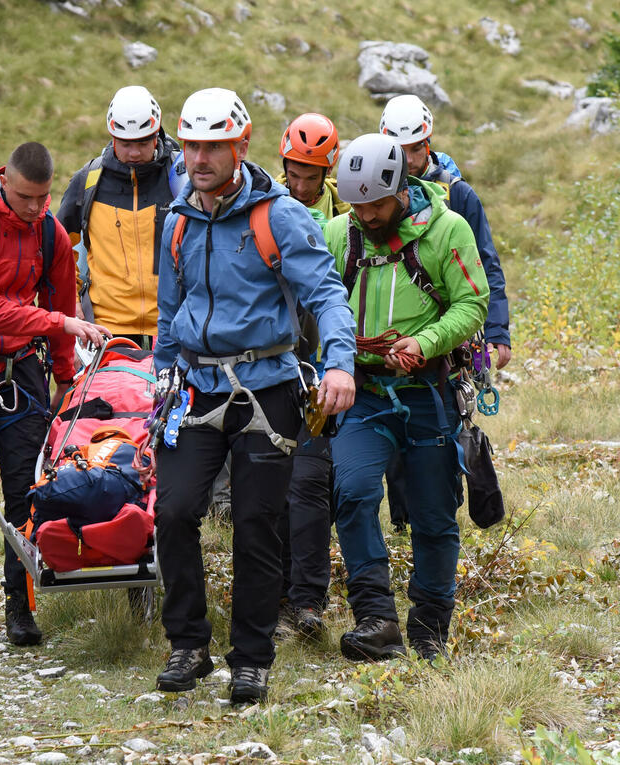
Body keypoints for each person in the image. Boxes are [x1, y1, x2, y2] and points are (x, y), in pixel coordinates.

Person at [152, 88, 356, 704]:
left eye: (214, 145)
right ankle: (188, 644)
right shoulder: (178, 221)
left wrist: (339, 365)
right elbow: (169, 311)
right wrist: (161, 375)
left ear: (240, 146)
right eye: (191, 145)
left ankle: (251, 658)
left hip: (268, 389)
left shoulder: (280, 216)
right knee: (173, 511)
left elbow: (325, 294)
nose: (201, 157)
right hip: (195, 385)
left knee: (256, 524)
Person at [323, 133, 489, 662]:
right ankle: (376, 619)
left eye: (375, 203)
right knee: (351, 493)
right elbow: (318, 300)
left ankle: (429, 625)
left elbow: (472, 303)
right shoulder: (336, 234)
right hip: (362, 393)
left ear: (399, 188)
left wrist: (425, 341)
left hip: (429, 393)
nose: (366, 215)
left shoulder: (448, 231)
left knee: (434, 513)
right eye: (357, 204)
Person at [0, 142, 109, 644]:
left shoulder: (51, 233)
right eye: (25, 197)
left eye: (43, 198)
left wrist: (65, 377)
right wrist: (60, 323)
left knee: (24, 491)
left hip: (24, 374)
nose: (35, 207)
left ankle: (19, 607)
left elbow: (64, 297)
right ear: (5, 182)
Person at [379, 94, 512, 531]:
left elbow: (486, 262)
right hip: (392, 333)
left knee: (444, 425)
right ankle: (404, 520)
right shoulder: (373, 194)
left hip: (452, 338)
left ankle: (440, 512)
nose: (409, 160)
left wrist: (497, 331)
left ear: (428, 144)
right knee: (395, 430)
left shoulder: (458, 196)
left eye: (415, 150)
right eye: (400, 152)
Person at [269, 112, 350, 641]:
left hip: (322, 368)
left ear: (328, 173)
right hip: (274, 366)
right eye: (295, 173)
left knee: (311, 482)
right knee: (270, 483)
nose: (301, 184)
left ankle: (308, 598)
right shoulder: (264, 209)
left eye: (311, 175)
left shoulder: (347, 217)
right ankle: (273, 589)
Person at [58, 85, 184, 350]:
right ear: (112, 136)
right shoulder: (87, 181)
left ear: (157, 133)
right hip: (106, 329)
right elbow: (61, 251)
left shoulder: (181, 179)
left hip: (173, 325)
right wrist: (72, 301)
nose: (135, 152)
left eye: (143, 142)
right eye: (126, 143)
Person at [275, 112, 350, 220]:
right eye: (294, 175)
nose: (301, 188)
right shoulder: (267, 201)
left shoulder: (346, 208)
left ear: (328, 170)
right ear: (285, 167)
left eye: (311, 178)